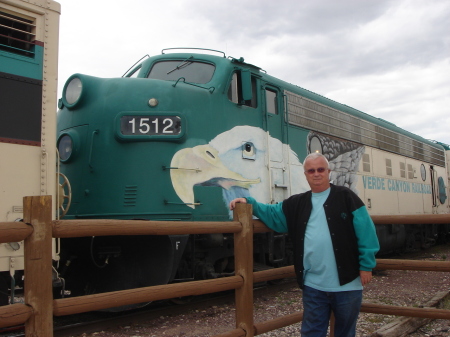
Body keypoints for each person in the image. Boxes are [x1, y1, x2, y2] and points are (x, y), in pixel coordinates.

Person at [229, 152, 379, 337]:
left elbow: (366, 232)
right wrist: (249, 202)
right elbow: (273, 213)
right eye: (311, 170)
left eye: (320, 169)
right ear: (306, 174)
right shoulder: (297, 203)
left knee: (345, 333)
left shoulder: (346, 197)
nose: (316, 173)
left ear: (328, 171)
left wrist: (366, 265)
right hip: (313, 285)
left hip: (348, 284)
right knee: (311, 332)